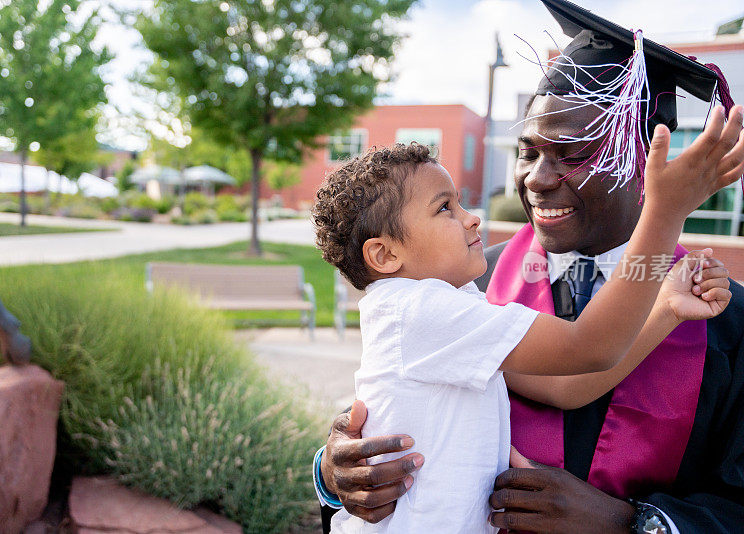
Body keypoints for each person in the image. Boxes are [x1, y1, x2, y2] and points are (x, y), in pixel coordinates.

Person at [313, 1, 744, 532]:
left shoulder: (726, 316)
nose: (537, 179)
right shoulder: (464, 285)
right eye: (528, 150)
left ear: (642, 167)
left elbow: (572, 382)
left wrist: (629, 523)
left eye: (573, 153)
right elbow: (392, 412)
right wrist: (335, 471)